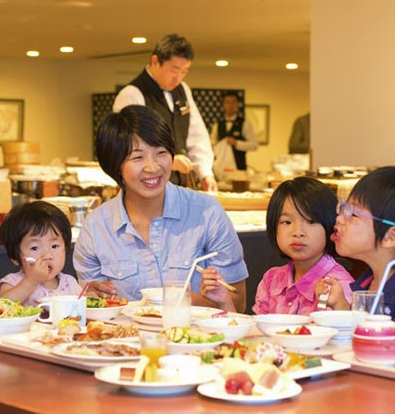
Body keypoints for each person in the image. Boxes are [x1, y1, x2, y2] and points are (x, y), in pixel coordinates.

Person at [73, 105, 248, 312]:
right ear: (115, 165)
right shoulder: (96, 228)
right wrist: (92, 298)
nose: (153, 167)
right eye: (137, 157)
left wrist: (173, 301)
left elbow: (238, 301)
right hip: (126, 341)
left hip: (197, 340)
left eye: (161, 153)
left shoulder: (206, 213)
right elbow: (92, 307)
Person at [316, 166, 395, 342]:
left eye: (353, 214)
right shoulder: (369, 283)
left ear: (390, 236)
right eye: (343, 207)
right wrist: (341, 304)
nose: (339, 218)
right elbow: (361, 337)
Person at [113, 33, 217, 191]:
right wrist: (167, 160)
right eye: (174, 70)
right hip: (145, 190)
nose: (178, 77)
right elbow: (127, 149)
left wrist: (205, 173)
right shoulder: (132, 94)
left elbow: (197, 136)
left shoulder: (183, 91)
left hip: (180, 189)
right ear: (155, 61)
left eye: (184, 71)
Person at [253, 177, 354, 315]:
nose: (298, 232)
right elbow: (258, 330)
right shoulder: (271, 279)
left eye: (311, 221)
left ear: (330, 225)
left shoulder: (337, 284)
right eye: (287, 222)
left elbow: (343, 332)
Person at [0, 200, 81, 305]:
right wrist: (30, 281)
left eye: (54, 246)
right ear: (15, 257)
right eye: (35, 248)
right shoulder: (12, 283)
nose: (47, 256)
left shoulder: (69, 283)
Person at [209, 91, 258, 172]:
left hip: (240, 168)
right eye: (227, 102)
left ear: (237, 104)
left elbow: (254, 145)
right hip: (221, 169)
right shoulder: (217, 125)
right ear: (223, 105)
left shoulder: (245, 124)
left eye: (233, 102)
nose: (230, 105)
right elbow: (212, 143)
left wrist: (236, 143)